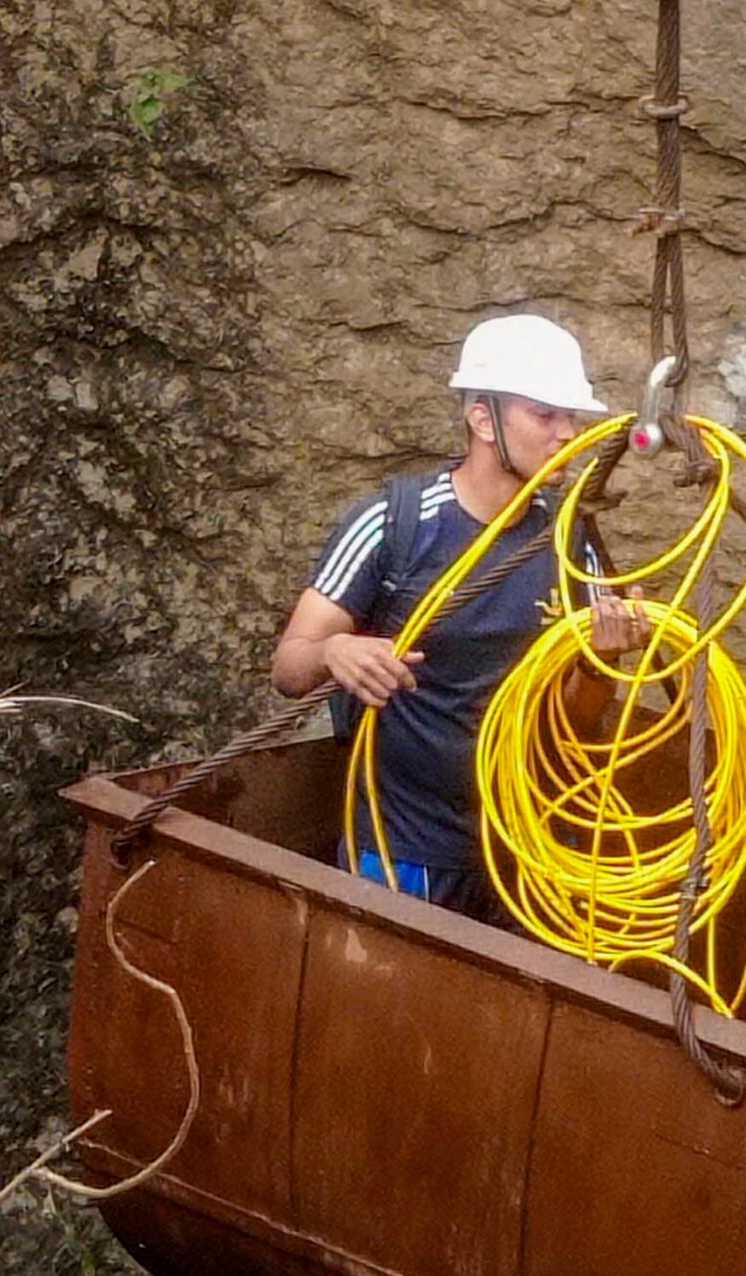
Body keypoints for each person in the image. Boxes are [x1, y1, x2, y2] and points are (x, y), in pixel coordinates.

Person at [270, 313, 643, 915]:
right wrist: (335, 652)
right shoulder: (398, 523)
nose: (565, 434)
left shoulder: (575, 540)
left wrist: (602, 661)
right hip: (405, 850)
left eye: (571, 418)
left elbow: (570, 724)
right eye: (545, 415)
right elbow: (290, 669)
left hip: (527, 848)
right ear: (482, 419)